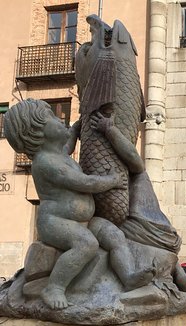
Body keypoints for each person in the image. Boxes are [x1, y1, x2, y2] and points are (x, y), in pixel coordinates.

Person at [3, 99, 147, 310]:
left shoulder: (59, 154)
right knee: (86, 244)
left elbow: (68, 143)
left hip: (84, 221)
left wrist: (79, 126)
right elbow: (83, 182)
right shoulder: (45, 162)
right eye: (52, 117)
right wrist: (112, 181)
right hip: (55, 222)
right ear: (36, 133)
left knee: (114, 235)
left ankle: (128, 276)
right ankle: (55, 287)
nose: (60, 118)